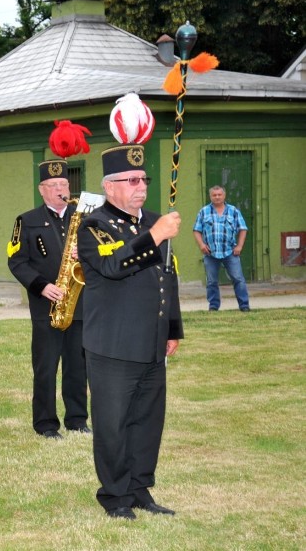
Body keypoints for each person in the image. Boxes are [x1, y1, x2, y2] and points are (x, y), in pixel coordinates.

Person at [77, 139, 183, 520]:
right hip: (114, 345)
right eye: (131, 180)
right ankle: (115, 495)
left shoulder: (154, 220)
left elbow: (166, 280)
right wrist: (155, 236)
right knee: (113, 424)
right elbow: (115, 265)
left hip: (150, 342)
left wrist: (172, 329)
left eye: (144, 179)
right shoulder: (94, 226)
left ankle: (140, 489)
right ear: (109, 186)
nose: (140, 186)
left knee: (148, 422)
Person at [8, 159, 89, 438]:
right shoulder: (26, 221)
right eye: (53, 185)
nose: (59, 189)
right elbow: (17, 261)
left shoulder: (84, 217)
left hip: (78, 303)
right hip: (47, 305)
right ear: (41, 190)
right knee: (45, 368)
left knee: (78, 366)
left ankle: (77, 419)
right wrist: (42, 286)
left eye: (64, 184)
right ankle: (45, 424)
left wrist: (86, 255)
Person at [192, 185, 250, 311]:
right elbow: (196, 230)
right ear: (210, 196)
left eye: (219, 195)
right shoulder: (204, 211)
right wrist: (201, 245)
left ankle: (244, 306)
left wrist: (239, 246)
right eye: (214, 195)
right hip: (210, 253)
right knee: (211, 281)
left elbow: (243, 229)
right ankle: (213, 306)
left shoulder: (233, 211)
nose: (217, 197)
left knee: (238, 279)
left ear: (224, 196)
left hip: (230, 252)